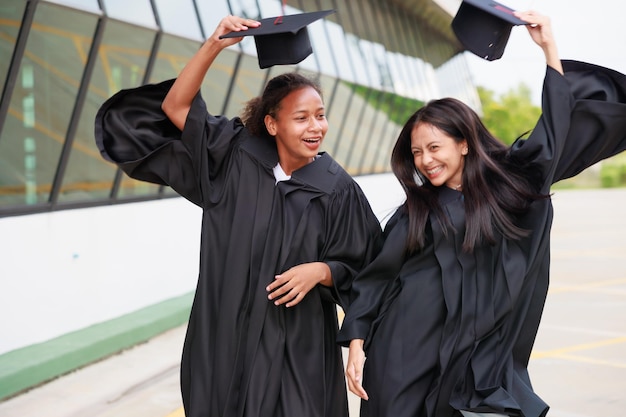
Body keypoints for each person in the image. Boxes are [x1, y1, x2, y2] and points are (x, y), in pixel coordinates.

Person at [337, 10, 626, 417]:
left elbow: (553, 135)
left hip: (471, 357)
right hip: (404, 347)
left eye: (435, 148)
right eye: (417, 152)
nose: (424, 161)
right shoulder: (418, 208)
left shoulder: (506, 189)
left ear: (465, 144)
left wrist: (548, 49)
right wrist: (357, 344)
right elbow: (378, 275)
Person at [94, 15, 383, 417]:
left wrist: (321, 270)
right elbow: (175, 106)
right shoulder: (234, 157)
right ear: (271, 123)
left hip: (298, 351)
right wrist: (214, 44)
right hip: (226, 339)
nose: (316, 126)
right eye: (301, 118)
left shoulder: (338, 190)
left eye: (320, 115)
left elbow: (370, 266)